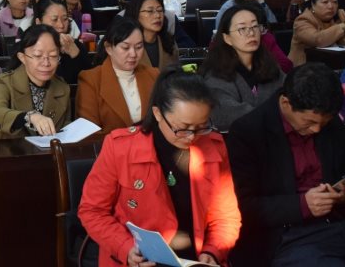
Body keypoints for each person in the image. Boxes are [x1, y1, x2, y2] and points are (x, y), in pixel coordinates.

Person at [79, 71, 241, 267]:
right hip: (139, 260)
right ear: (157, 114)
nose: (191, 137)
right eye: (183, 128)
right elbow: (92, 211)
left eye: (201, 127)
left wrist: (213, 251)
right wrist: (125, 248)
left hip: (196, 259)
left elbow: (226, 217)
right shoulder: (120, 147)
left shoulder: (214, 147)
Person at [226, 63, 345, 266]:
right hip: (286, 234)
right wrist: (302, 205)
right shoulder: (249, 132)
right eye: (309, 122)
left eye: (324, 123)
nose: (317, 130)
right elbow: (244, 206)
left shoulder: (329, 123)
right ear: (285, 103)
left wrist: (344, 194)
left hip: (337, 222)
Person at [200, 5, 284, 131]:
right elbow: (226, 114)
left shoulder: (269, 65)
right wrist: (278, 117)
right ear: (227, 38)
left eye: (255, 26)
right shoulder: (216, 72)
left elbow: (290, 94)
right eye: (242, 28)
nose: (251, 33)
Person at [0, 24, 71, 139]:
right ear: (22, 57)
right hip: (6, 148)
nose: (46, 63)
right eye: (38, 55)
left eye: (53, 56)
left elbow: (66, 129)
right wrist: (29, 117)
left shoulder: (62, 88)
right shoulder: (4, 82)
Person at [76, 17, 159, 134]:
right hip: (108, 145)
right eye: (125, 47)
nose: (133, 54)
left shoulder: (153, 75)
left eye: (139, 47)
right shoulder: (91, 80)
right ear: (109, 48)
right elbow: (88, 133)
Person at [288, 0, 345, 65]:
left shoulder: (338, 17)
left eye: (335, 2)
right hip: (304, 67)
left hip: (331, 64)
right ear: (313, 4)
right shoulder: (303, 20)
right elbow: (317, 40)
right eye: (325, 2)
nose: (331, 6)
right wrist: (340, 27)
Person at [33, 0, 89, 84]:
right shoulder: (30, 48)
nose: (61, 25)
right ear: (39, 22)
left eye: (65, 19)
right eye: (54, 19)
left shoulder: (77, 46)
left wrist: (76, 55)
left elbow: (89, 82)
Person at [124, 0, 180, 71]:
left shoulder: (169, 42)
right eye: (150, 11)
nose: (157, 15)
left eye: (160, 10)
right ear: (135, 14)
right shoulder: (124, 44)